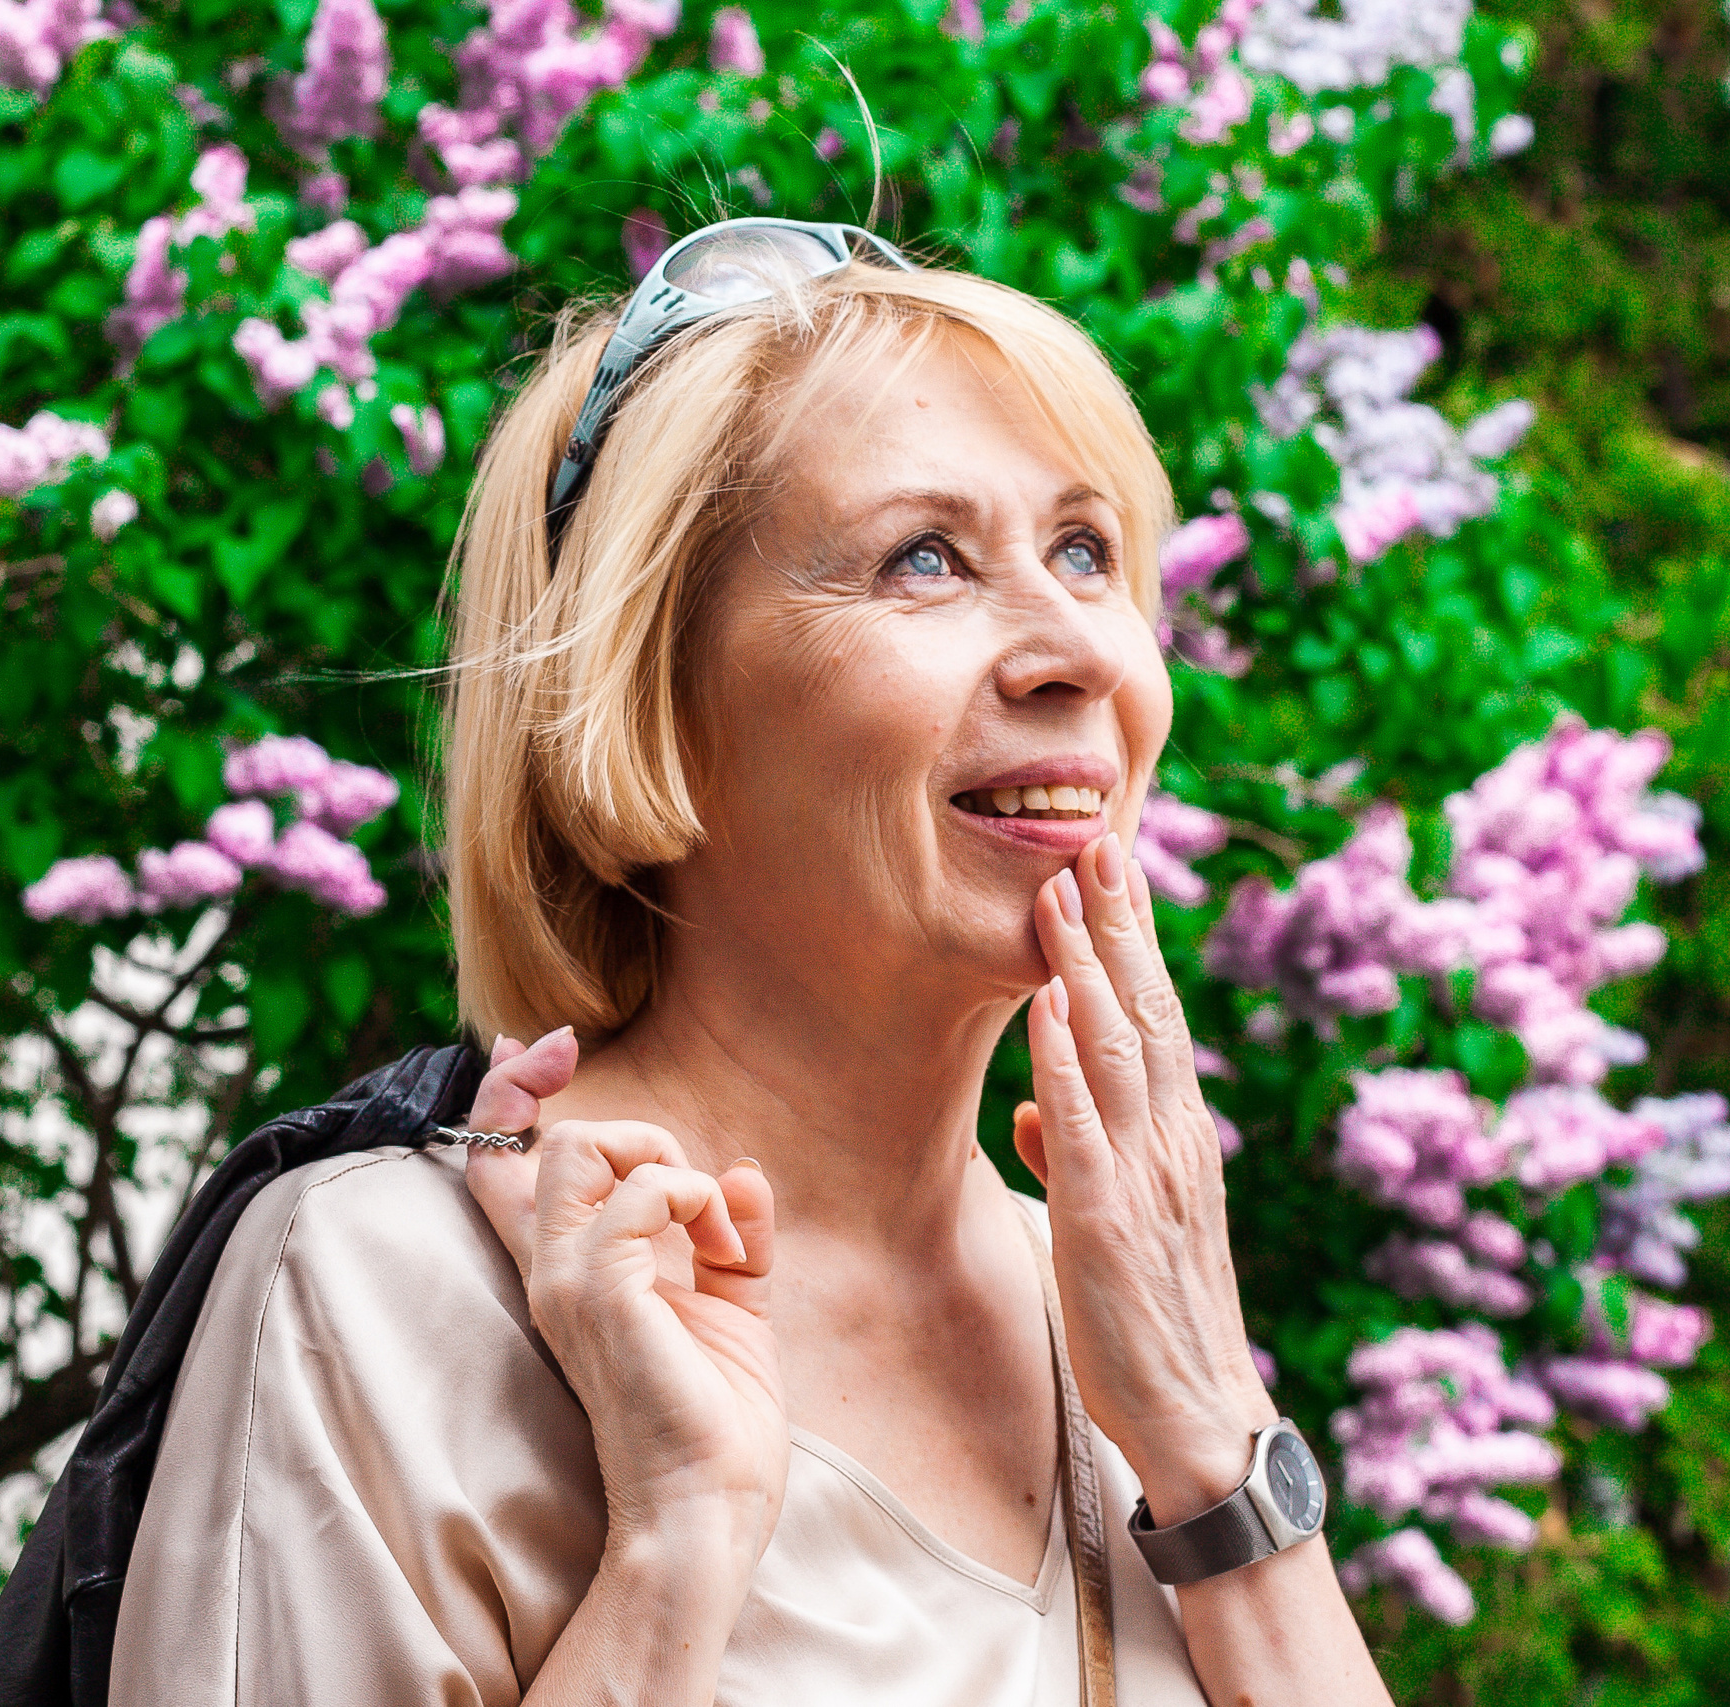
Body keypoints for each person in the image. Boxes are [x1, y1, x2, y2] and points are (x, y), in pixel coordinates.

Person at [109, 220, 1391, 1705]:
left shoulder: (1120, 1314)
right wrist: (677, 1542)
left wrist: (1211, 1428)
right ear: (651, 691)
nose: (1081, 652)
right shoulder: (388, 1293)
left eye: (1086, 550)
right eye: (926, 559)